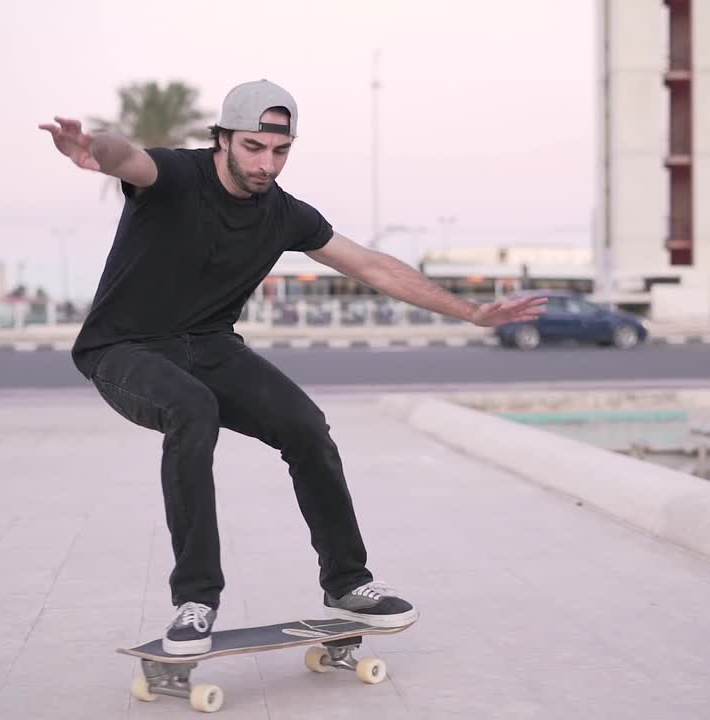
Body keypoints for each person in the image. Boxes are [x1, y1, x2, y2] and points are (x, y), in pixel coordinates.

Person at [39, 79, 545, 655]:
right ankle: (196, 599)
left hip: (210, 347)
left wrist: (473, 312)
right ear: (223, 139)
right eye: (254, 147)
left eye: (280, 152)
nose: (267, 164)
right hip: (122, 349)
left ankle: (348, 584)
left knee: (307, 427)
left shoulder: (283, 214)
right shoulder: (177, 177)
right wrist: (92, 151)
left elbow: (372, 266)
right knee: (191, 409)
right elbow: (126, 156)